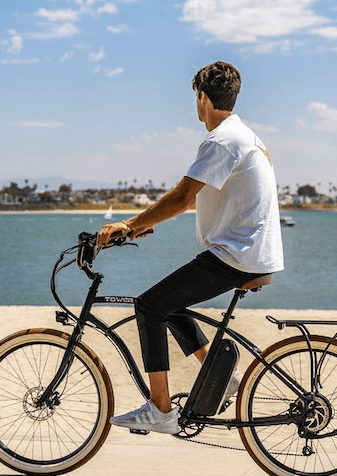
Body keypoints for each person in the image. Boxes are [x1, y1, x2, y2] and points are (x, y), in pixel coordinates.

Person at [96, 61, 284, 434]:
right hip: (250, 251)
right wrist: (140, 228)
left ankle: (161, 410)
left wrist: (128, 224)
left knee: (148, 306)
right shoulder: (245, 136)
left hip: (237, 255)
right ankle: (221, 376)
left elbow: (183, 198)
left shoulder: (222, 140)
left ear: (202, 99)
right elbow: (207, 199)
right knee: (171, 304)